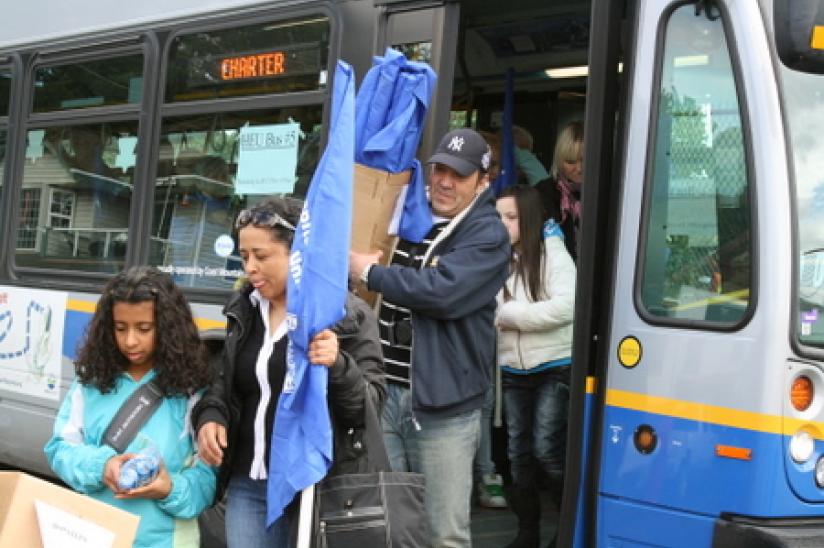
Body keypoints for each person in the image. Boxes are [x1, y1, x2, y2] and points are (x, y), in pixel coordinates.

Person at [349, 127, 511, 547]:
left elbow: (444, 292)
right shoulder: (406, 213)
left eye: (458, 175)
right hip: (384, 396)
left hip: (443, 409)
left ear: (483, 180)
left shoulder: (488, 233)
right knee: (387, 523)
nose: (444, 181)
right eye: (439, 169)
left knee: (443, 535)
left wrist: (371, 272)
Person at [192, 198, 385, 548]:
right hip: (249, 484)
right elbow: (225, 384)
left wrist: (339, 366)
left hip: (316, 489)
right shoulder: (245, 309)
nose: (250, 268)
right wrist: (210, 416)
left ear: (298, 254)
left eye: (262, 256)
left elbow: (369, 406)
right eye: (244, 255)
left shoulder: (348, 315)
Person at [44, 266, 216, 548]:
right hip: (95, 536)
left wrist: (168, 489)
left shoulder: (191, 390)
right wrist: (103, 466)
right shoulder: (91, 381)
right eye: (120, 328)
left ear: (168, 327)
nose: (130, 341)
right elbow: (60, 450)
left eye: (144, 328)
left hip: (166, 541)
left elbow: (207, 481)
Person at [495, 185, 576, 548]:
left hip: (553, 366)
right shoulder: (496, 258)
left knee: (546, 450)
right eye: (497, 217)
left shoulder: (553, 254)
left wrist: (514, 315)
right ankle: (526, 534)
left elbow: (568, 306)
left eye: (510, 217)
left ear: (528, 219)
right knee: (518, 458)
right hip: (513, 370)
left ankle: (568, 528)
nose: (503, 224)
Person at [535, 120, 584, 261]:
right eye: (571, 161)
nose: (579, 168)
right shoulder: (542, 193)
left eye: (585, 160)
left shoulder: (608, 192)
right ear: (559, 160)